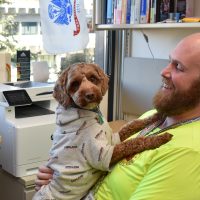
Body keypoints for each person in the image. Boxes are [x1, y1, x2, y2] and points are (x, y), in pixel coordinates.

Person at [35, 33, 200, 200]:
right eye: (169, 61)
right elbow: (107, 144)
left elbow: (105, 153)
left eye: (178, 67)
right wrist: (56, 175)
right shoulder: (155, 115)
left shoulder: (188, 152)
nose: (163, 71)